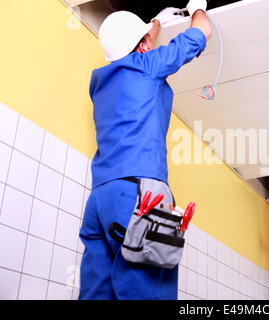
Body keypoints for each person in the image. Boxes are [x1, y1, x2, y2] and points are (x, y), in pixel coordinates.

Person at [79, 0, 212, 300]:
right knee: (147, 291)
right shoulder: (147, 67)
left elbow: (136, 44)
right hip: (140, 196)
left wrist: (156, 23)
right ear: (142, 47)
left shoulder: (101, 83)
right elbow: (203, 29)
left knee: (97, 293)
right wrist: (197, 9)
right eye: (147, 42)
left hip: (101, 200)